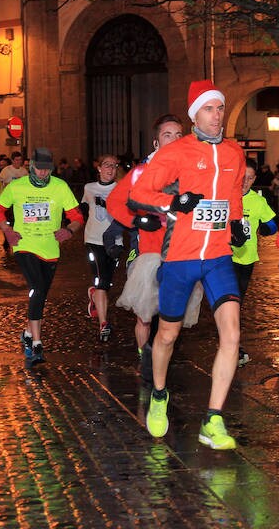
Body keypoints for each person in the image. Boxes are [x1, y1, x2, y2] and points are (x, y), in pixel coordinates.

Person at [130, 79, 247, 450]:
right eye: (210, 109)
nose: (217, 116)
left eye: (220, 108)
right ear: (195, 113)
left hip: (217, 257)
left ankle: (213, 419)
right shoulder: (176, 152)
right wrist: (173, 203)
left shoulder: (234, 153)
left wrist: (237, 225)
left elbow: (233, 198)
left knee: (232, 335)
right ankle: (160, 394)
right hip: (180, 258)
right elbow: (139, 193)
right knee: (167, 335)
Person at [106, 114, 185, 370]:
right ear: (156, 142)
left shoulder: (191, 171)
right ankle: (145, 358)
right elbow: (116, 202)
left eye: (178, 135)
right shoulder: (142, 172)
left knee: (170, 313)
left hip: (180, 251)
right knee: (144, 314)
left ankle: (162, 356)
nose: (173, 140)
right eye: (167, 135)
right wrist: (137, 222)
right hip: (149, 250)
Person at [0, 148, 83, 367]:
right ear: (31, 166)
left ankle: (27, 332)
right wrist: (7, 230)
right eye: (39, 169)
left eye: (47, 170)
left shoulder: (60, 187)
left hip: (50, 248)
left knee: (41, 293)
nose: (43, 174)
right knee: (37, 288)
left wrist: (69, 230)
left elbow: (77, 216)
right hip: (25, 244)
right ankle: (37, 343)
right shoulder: (16, 187)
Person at [231, 163, 277, 365]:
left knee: (236, 303)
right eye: (242, 177)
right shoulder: (226, 196)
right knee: (231, 303)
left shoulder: (258, 201)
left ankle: (233, 343)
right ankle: (234, 346)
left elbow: (272, 223)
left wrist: (268, 229)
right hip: (225, 257)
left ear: (255, 179)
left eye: (250, 178)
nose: (245, 182)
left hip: (247, 259)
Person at [82, 154, 120, 342]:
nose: (110, 169)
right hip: (93, 239)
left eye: (114, 166)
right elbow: (82, 210)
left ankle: (93, 294)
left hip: (114, 242)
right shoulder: (89, 188)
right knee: (101, 281)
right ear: (99, 168)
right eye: (106, 165)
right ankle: (104, 323)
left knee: (107, 282)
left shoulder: (121, 188)